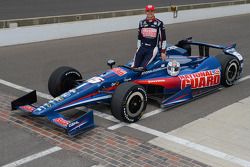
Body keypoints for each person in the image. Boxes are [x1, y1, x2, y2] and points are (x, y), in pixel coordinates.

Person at [132, 4, 167, 69]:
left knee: (142, 68)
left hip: (153, 49)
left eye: (151, 11)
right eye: (148, 11)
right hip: (142, 47)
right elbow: (139, 38)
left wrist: (163, 52)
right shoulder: (141, 23)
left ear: (154, 12)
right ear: (145, 12)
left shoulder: (159, 23)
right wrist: (138, 48)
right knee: (134, 66)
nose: (150, 12)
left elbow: (163, 39)